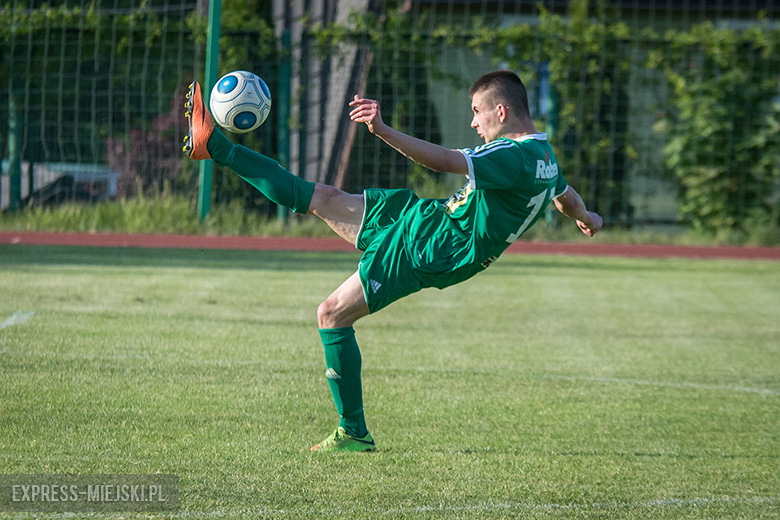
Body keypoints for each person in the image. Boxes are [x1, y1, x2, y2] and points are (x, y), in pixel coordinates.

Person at [183, 70, 603, 452]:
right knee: (325, 198)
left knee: (331, 314)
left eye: (477, 113)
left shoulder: (510, 156)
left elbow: (444, 161)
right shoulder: (544, 156)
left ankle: (353, 432)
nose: (475, 124)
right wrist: (588, 217)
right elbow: (565, 196)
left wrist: (381, 130)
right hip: (430, 220)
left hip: (433, 246)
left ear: (501, 110)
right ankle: (213, 145)